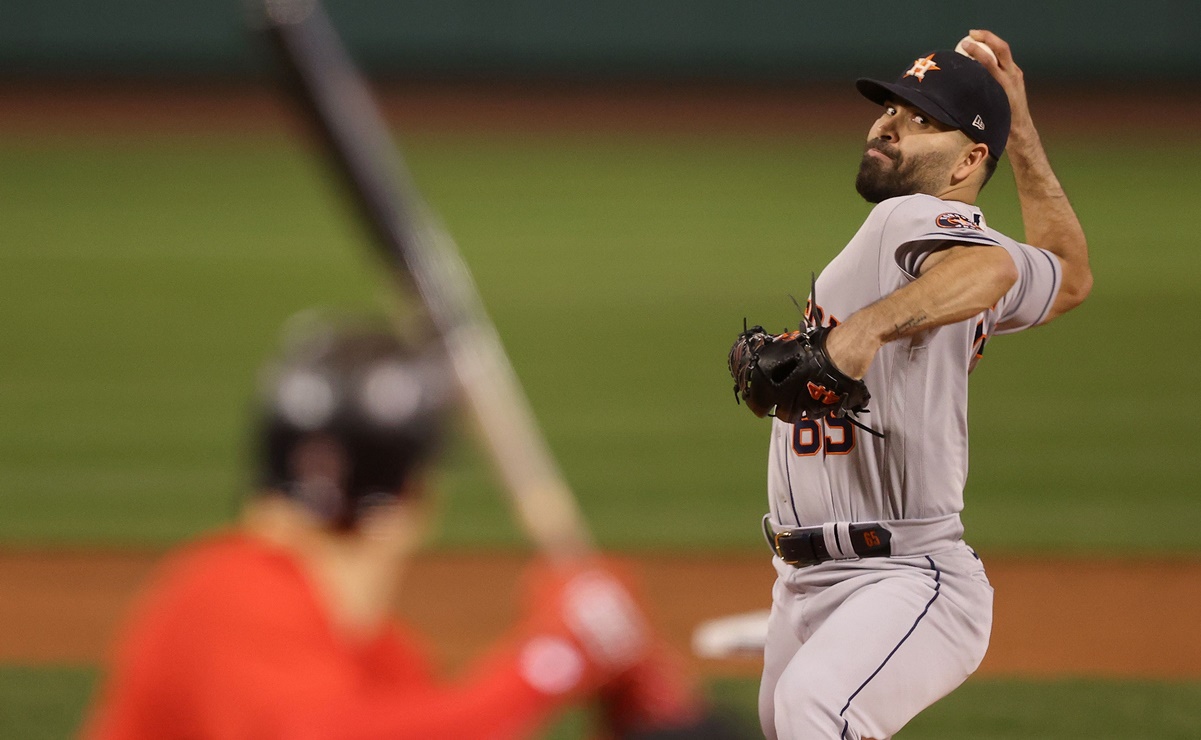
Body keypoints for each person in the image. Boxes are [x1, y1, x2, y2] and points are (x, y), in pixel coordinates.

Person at [83, 318, 734, 739]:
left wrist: (640, 712)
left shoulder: (377, 660)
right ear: (418, 495)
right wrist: (552, 658)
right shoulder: (226, 595)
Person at [750, 31, 1092, 739]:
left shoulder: (909, 221)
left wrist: (862, 331)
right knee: (795, 719)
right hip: (814, 583)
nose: (887, 122)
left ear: (968, 161)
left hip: (902, 574)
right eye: (891, 108)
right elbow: (1066, 273)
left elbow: (992, 271)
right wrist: (1019, 128)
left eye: (921, 119)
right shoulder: (923, 249)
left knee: (815, 710)